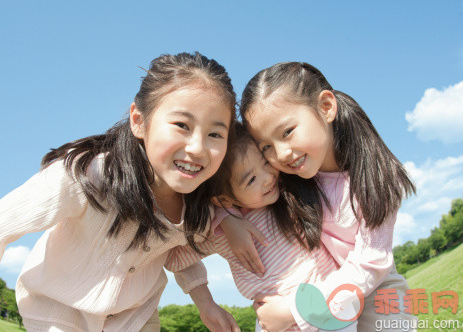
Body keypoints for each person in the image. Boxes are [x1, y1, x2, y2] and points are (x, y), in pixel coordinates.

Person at [0, 52, 240, 332]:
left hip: (135, 317)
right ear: (139, 121)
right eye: (182, 125)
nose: (198, 148)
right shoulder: (87, 176)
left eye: (215, 134)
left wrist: (206, 303)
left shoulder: (198, 206)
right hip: (59, 308)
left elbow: (180, 255)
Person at [221, 62, 417, 331]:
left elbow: (372, 264)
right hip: (317, 294)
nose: (281, 154)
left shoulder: (374, 177)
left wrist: (296, 310)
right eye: (266, 146)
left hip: (373, 289)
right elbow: (223, 192)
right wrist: (227, 220)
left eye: (287, 132)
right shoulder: (284, 181)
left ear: (326, 107)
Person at [166, 122, 357, 332]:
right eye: (251, 180)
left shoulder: (292, 193)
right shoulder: (222, 233)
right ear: (223, 200)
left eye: (265, 163)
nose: (268, 178)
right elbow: (174, 257)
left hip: (330, 308)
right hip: (275, 323)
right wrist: (206, 302)